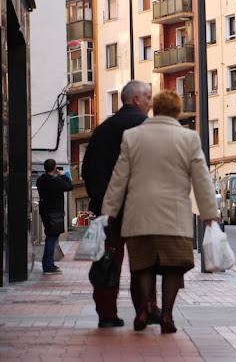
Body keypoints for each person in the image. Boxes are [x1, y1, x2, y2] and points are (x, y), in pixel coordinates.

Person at [101, 90, 219, 334]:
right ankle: (166, 316)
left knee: (143, 265)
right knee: (173, 267)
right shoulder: (188, 138)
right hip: (174, 216)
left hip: (138, 214)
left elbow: (118, 178)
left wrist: (108, 211)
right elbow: (202, 179)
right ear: (177, 111)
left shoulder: (132, 136)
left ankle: (144, 305)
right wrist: (209, 214)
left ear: (155, 109)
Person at [82, 80, 159, 329]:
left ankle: (107, 313)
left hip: (109, 211)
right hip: (141, 209)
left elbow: (88, 169)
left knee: (107, 260)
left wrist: (102, 201)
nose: (151, 102)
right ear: (135, 99)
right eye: (147, 97)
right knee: (144, 263)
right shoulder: (147, 127)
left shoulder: (103, 129)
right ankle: (146, 309)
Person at [36, 159, 73, 274]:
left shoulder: (40, 180)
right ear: (54, 168)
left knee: (49, 237)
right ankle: (48, 266)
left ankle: (47, 263)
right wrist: (63, 175)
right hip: (55, 213)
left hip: (45, 211)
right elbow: (69, 186)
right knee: (51, 239)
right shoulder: (56, 181)